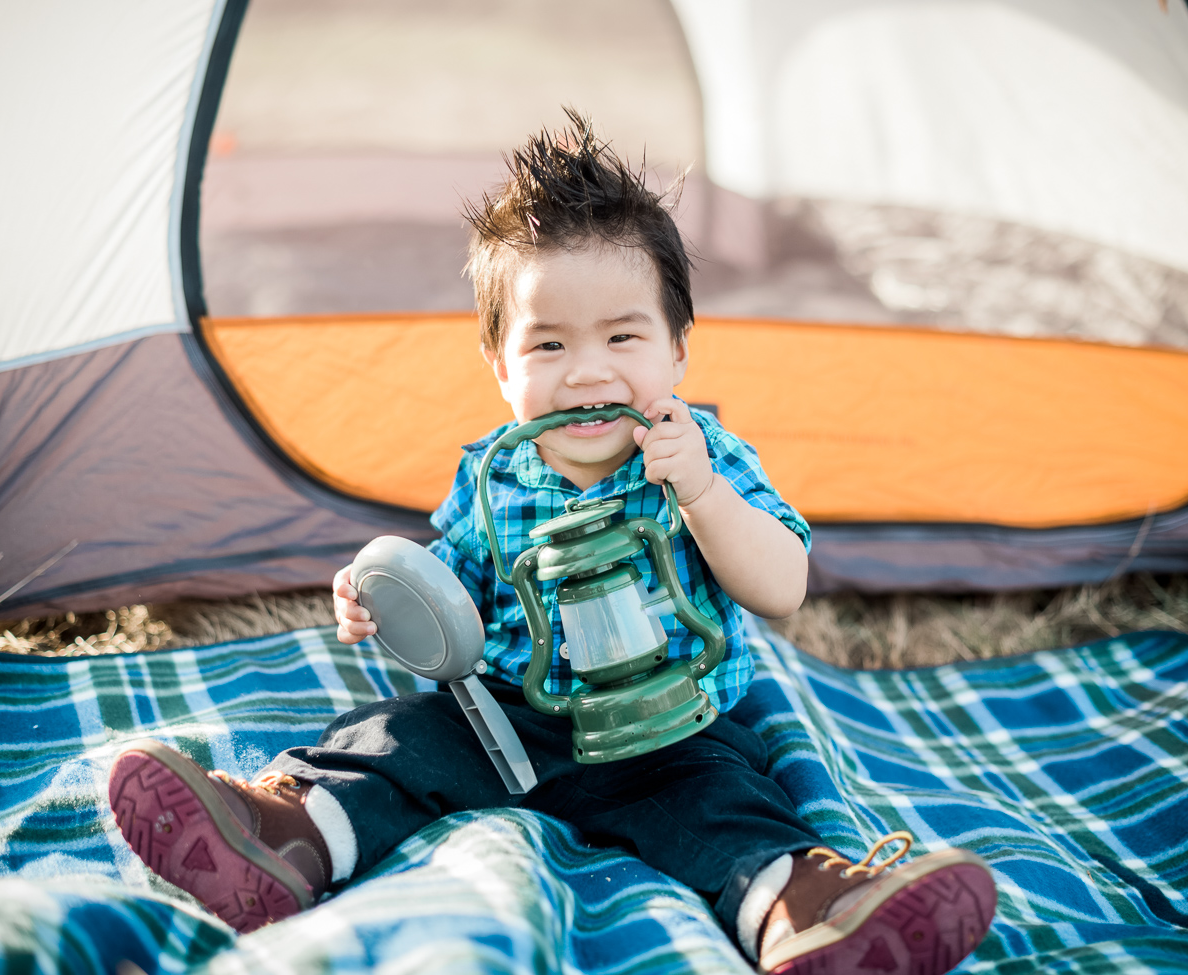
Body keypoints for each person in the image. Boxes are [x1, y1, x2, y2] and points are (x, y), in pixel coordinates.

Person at [110, 112, 996, 973]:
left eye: (622, 335)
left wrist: (702, 494)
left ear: (680, 348)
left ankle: (808, 913)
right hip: (506, 722)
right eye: (549, 343)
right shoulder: (493, 475)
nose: (587, 371)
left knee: (728, 802)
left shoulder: (701, 455)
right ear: (500, 364)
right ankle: (284, 839)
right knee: (388, 739)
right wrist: (379, 595)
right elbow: (443, 597)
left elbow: (783, 586)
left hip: (670, 726)